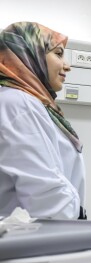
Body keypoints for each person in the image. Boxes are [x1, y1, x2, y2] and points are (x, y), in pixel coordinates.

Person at [0, 21, 86, 219]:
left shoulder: (31, 103)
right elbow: (45, 194)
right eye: (58, 53)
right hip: (39, 235)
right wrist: (71, 220)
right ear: (30, 53)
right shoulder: (18, 103)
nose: (67, 65)